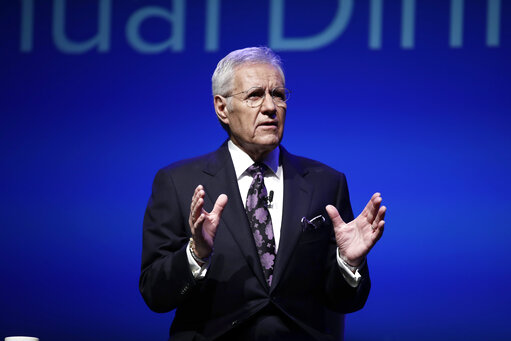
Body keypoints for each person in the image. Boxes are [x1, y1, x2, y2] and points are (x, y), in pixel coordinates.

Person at [140, 47, 386, 341]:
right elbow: (156, 295)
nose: (271, 106)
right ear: (222, 108)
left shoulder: (326, 183)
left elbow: (346, 301)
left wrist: (349, 264)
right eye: (255, 95)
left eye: (279, 95)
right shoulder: (178, 182)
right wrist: (196, 254)